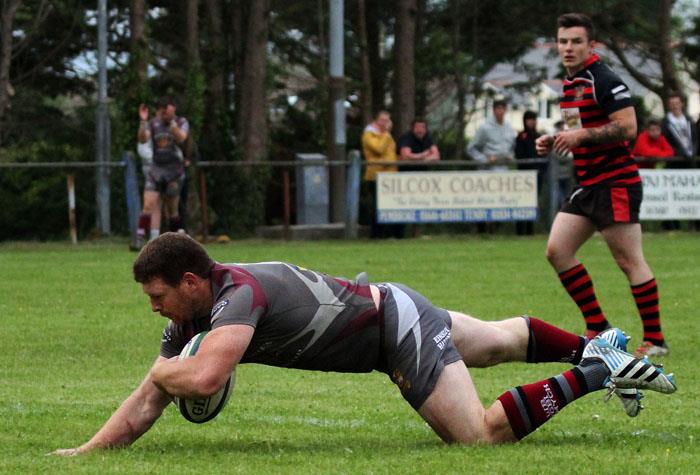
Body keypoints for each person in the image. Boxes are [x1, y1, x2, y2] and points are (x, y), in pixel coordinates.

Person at [51, 233, 676, 455]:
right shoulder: (190, 319)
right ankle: (604, 345)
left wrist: (166, 376)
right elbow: (147, 398)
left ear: (190, 281)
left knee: (477, 436)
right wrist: (88, 451)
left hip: (391, 328)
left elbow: (203, 381)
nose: (153, 307)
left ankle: (597, 370)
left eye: (158, 295)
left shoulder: (235, 296)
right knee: (499, 341)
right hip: (391, 306)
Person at [535, 13, 669, 356]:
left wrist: (580, 134)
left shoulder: (603, 78)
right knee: (557, 251)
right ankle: (598, 325)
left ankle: (655, 340)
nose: (568, 47)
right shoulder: (569, 83)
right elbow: (580, 134)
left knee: (628, 260)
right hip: (589, 184)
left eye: (576, 41)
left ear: (591, 45)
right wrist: (558, 140)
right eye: (563, 41)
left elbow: (627, 127)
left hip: (616, 182)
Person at [131, 96, 190, 250]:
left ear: (173, 110)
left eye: (167, 111)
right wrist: (143, 121)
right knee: (148, 204)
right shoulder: (153, 123)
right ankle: (138, 237)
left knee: (172, 209)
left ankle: (177, 241)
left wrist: (171, 124)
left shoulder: (181, 122)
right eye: (163, 112)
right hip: (156, 169)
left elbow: (182, 138)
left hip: (174, 171)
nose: (164, 114)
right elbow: (143, 139)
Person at [361, 110, 403, 238]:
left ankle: (393, 234)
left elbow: (390, 152)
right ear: (376, 121)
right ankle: (376, 235)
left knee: (392, 205)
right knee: (378, 206)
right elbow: (378, 149)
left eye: (387, 120)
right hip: (376, 175)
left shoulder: (385, 135)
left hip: (391, 175)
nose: (386, 123)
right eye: (383, 120)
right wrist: (386, 133)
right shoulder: (369, 135)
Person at [661, 93, 698, 230]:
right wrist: (678, 153)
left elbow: (694, 138)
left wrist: (692, 151)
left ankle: (694, 224)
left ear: (681, 104)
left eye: (677, 103)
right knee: (672, 193)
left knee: (692, 193)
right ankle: (672, 225)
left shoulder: (688, 120)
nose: (675, 106)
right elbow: (664, 142)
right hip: (673, 163)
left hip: (690, 162)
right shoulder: (666, 122)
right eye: (672, 103)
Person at [514, 110, 546, 235]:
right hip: (524, 176)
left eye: (533, 119)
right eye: (529, 119)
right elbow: (519, 155)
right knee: (522, 202)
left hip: (537, 175)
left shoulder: (538, 136)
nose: (531, 122)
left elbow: (543, 156)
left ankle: (530, 230)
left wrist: (541, 170)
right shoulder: (521, 137)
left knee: (533, 202)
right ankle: (520, 230)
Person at [467, 99, 516, 171]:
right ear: (493, 110)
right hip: (488, 170)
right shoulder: (485, 127)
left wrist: (511, 155)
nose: (501, 111)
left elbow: (512, 146)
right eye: (498, 108)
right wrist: (485, 159)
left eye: (503, 109)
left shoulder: (509, 127)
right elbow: (471, 148)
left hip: (504, 170)